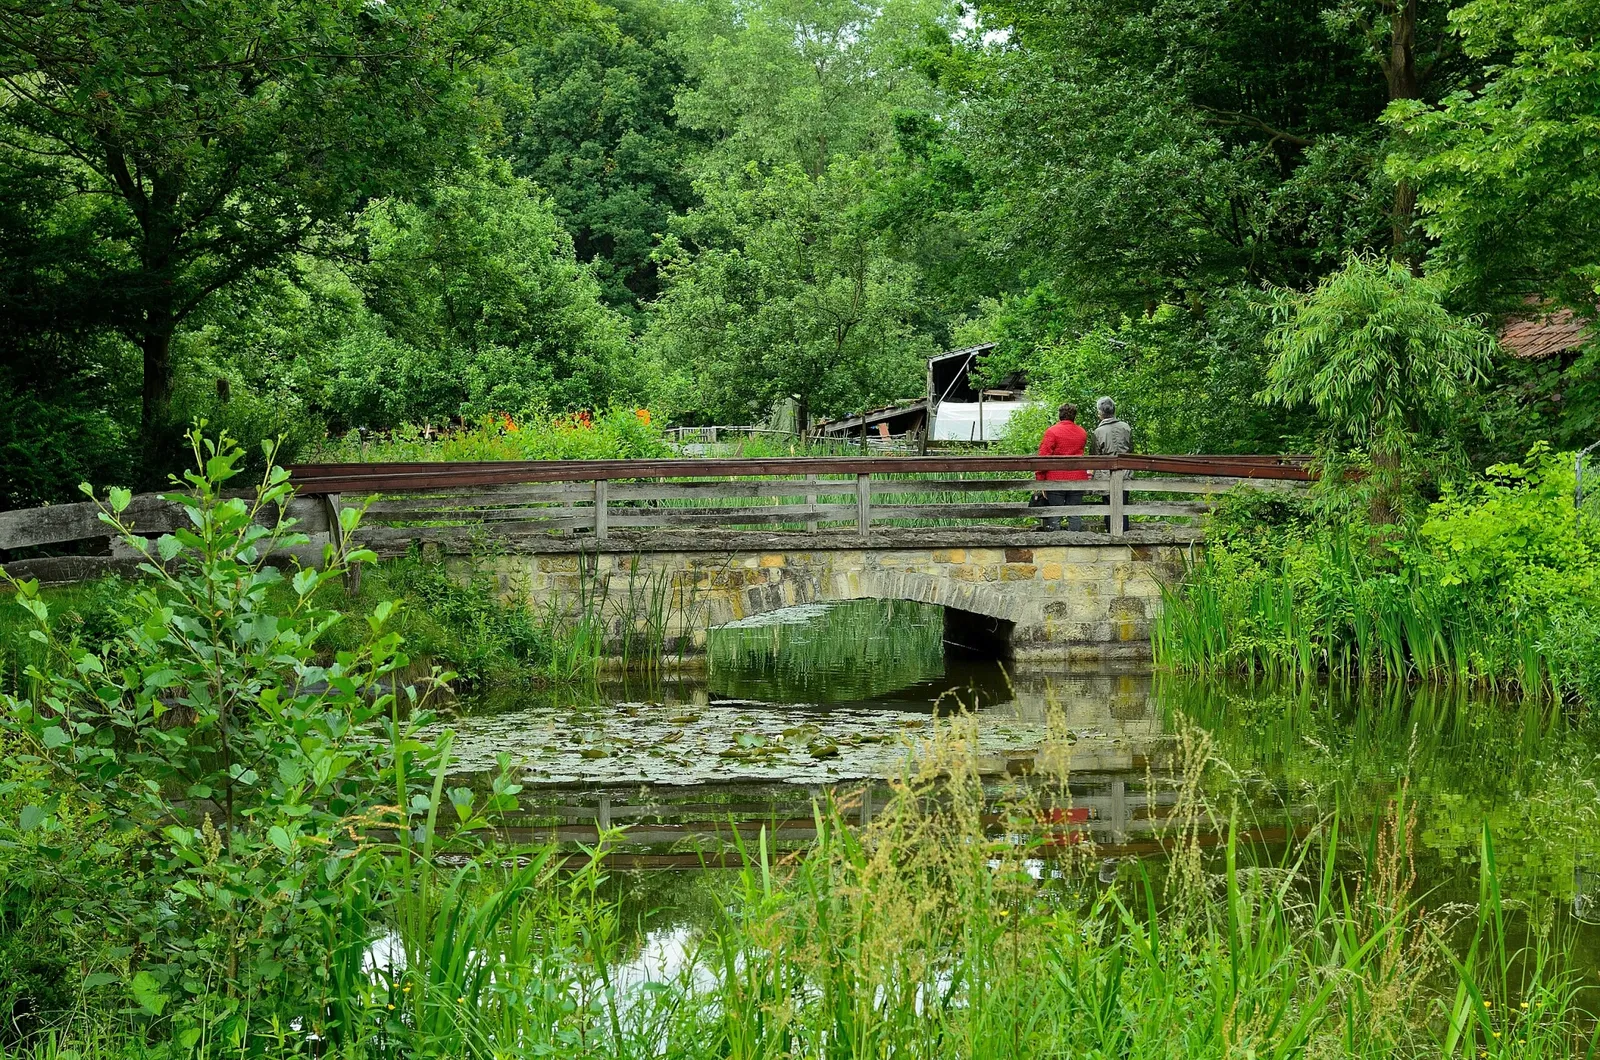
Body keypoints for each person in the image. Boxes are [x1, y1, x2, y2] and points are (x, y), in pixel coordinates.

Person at [1034, 404, 1090, 531]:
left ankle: (1055, 539)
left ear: (1060, 415)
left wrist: (1040, 480)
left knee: (1055, 512)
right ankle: (1076, 538)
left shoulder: (1052, 432)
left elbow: (1043, 457)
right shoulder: (1082, 432)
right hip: (1077, 478)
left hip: (1055, 478)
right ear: (1074, 416)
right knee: (1074, 513)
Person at [1089, 396, 1132, 531]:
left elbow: (1094, 455)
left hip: (1106, 474)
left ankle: (1112, 534)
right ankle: (1124, 535)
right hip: (1125, 472)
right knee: (1123, 507)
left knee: (1109, 508)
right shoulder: (1126, 427)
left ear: (1100, 413)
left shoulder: (1098, 432)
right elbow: (1130, 448)